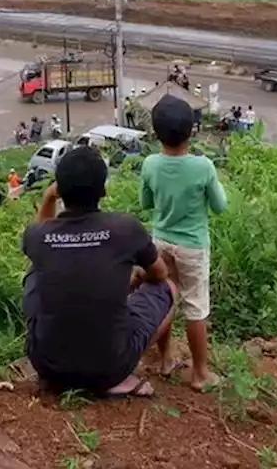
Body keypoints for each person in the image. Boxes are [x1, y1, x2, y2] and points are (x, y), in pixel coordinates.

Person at [23, 146, 177, 398]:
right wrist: (138, 277)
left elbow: (40, 241)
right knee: (168, 288)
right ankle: (130, 366)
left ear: (59, 188)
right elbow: (159, 274)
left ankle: (64, 360)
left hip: (48, 365)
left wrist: (49, 198)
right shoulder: (124, 228)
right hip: (111, 368)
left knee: (36, 269)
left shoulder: (36, 235)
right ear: (103, 190)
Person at [140, 95, 228, 390]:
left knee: (165, 299)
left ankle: (165, 359)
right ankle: (200, 373)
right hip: (192, 245)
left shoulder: (150, 164)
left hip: (161, 241)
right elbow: (220, 206)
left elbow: (146, 202)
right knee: (196, 308)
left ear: (155, 132)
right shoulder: (203, 167)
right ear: (193, 131)